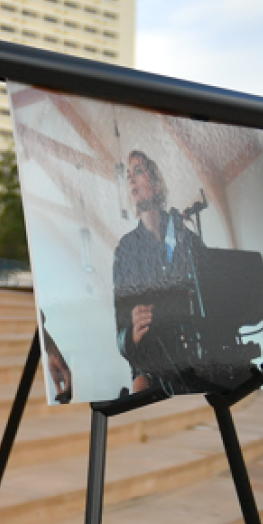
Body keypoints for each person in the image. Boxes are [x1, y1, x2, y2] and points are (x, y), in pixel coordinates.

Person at [112, 150, 206, 395]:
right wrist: (132, 335)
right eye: (128, 175)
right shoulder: (125, 250)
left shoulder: (188, 239)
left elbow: (211, 289)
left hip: (196, 360)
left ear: (156, 183)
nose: (131, 179)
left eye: (139, 171)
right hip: (151, 370)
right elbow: (120, 329)